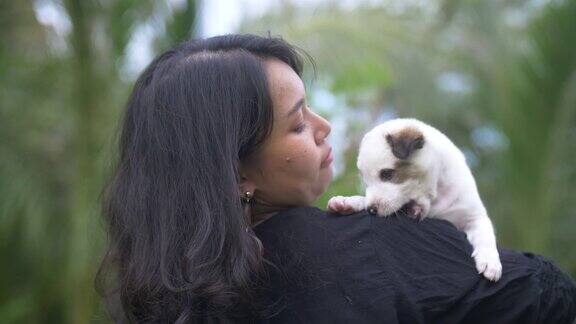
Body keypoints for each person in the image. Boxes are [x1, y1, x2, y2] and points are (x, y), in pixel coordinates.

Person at [96, 34, 576, 323]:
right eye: (298, 124)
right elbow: (545, 297)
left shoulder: (166, 297)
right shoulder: (367, 245)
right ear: (236, 170)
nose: (324, 127)